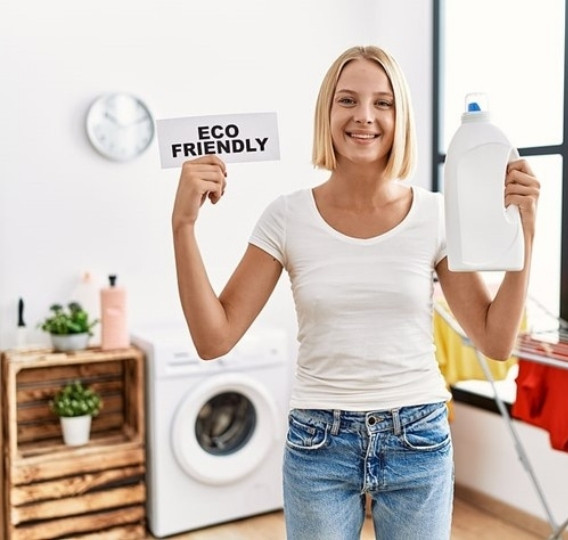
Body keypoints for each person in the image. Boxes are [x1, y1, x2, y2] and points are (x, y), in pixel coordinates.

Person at [171, 45, 539, 540]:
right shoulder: (286, 217)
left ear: (399, 115)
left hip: (418, 439)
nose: (364, 117)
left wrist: (526, 234)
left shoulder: (435, 215)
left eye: (382, 103)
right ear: (327, 111)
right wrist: (183, 224)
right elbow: (213, 339)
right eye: (348, 100)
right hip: (319, 443)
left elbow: (496, 342)